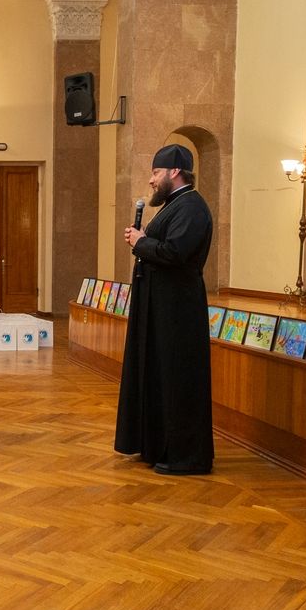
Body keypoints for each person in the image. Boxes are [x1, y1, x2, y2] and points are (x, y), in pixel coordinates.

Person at [114, 143, 215, 476]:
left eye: (156, 172)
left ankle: (184, 455)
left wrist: (141, 242)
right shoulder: (174, 205)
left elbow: (176, 253)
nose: (151, 180)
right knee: (159, 377)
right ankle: (156, 445)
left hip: (178, 312)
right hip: (161, 309)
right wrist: (143, 240)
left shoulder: (192, 207)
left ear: (174, 171)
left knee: (177, 380)